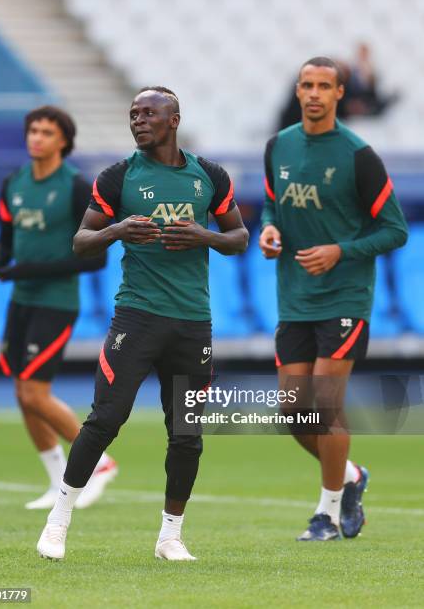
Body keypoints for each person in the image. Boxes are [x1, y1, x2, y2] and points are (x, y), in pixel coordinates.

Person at [36, 86, 249, 561]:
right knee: (106, 418)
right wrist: (115, 230)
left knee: (187, 434)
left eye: (148, 114)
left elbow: (239, 238)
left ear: (174, 120)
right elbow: (80, 241)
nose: (138, 121)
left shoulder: (208, 175)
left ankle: (170, 537)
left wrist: (204, 235)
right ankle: (59, 521)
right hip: (137, 316)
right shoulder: (117, 177)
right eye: (133, 114)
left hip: (193, 322)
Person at [259, 57, 408, 541]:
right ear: (298, 91)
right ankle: (351, 477)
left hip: (345, 296)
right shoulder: (278, 146)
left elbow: (395, 230)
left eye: (325, 85)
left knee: (322, 407)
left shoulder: (358, 154)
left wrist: (340, 250)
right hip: (294, 297)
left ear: (341, 93)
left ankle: (325, 513)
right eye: (307, 84)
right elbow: (270, 202)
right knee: (292, 413)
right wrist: (269, 229)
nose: (315, 93)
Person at [0, 106, 118, 511]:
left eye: (46, 132)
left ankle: (101, 462)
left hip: (56, 302)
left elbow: (95, 258)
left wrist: (30, 269)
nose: (36, 137)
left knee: (36, 393)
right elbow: (7, 238)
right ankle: (58, 480)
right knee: (23, 394)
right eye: (32, 130)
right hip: (22, 299)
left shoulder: (75, 187)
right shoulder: (14, 183)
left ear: (63, 141)